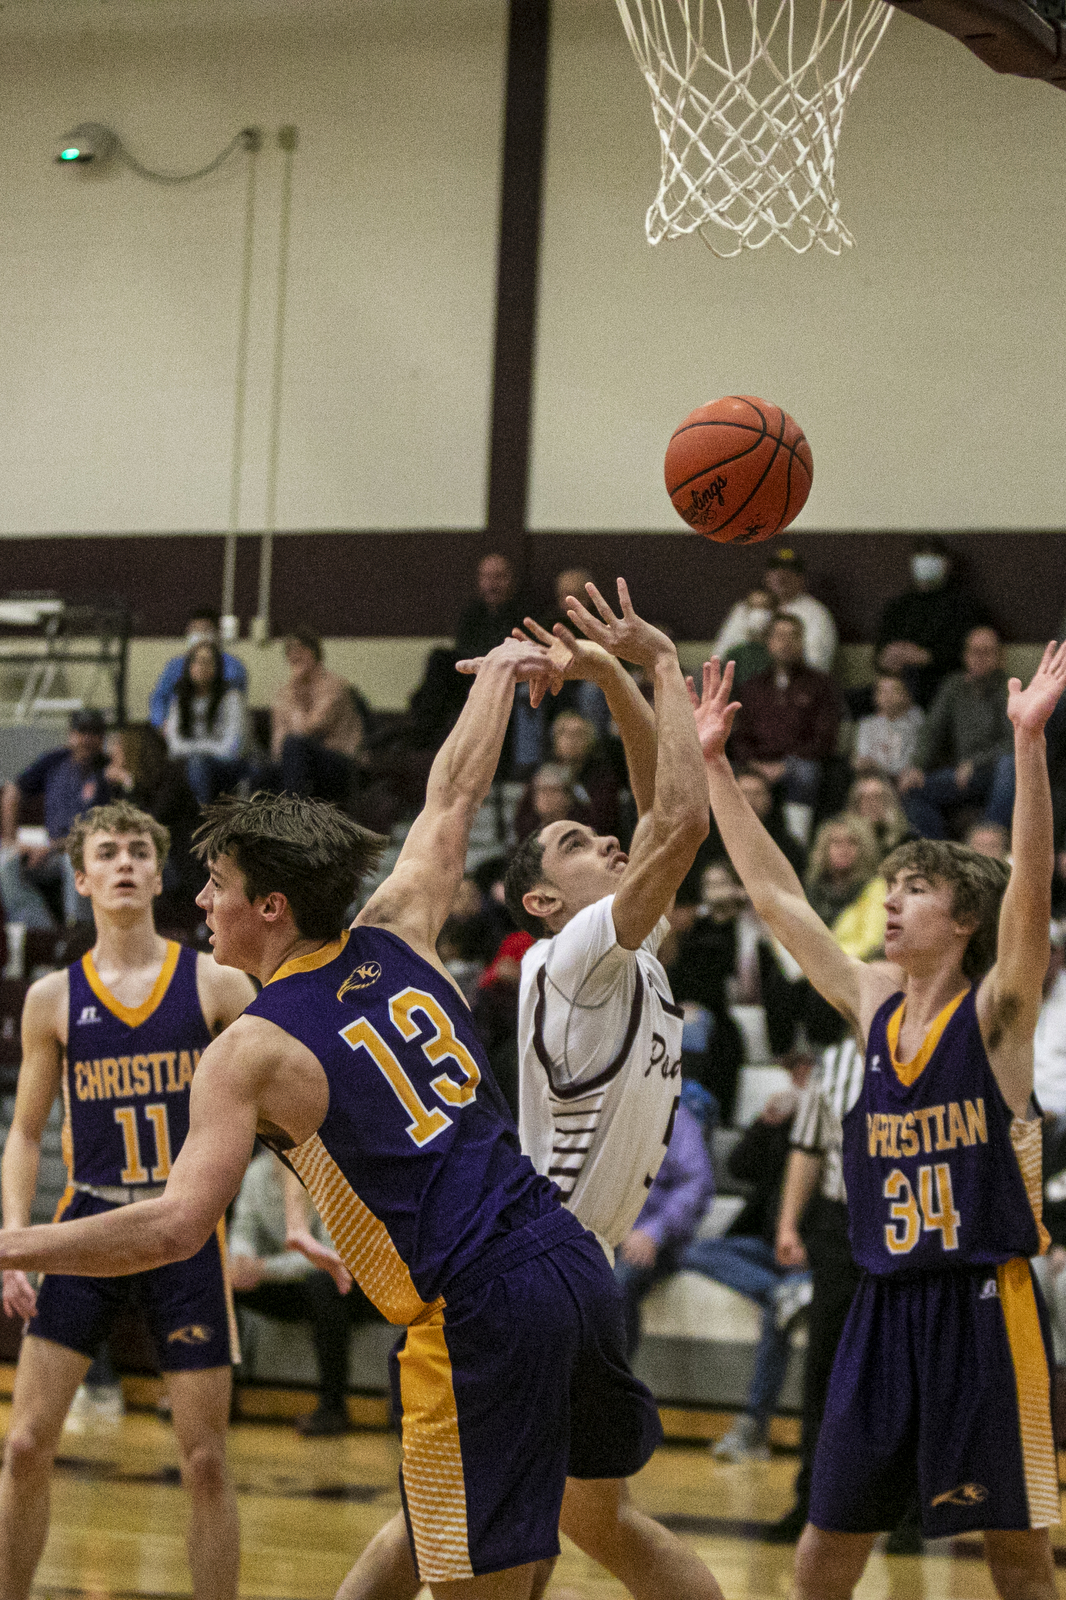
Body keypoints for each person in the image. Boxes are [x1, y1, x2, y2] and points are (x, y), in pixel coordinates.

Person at [0, 613, 695, 1600]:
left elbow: (173, 1226)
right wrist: (496, 677)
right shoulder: (398, 925)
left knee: (481, 1579)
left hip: (473, 1309)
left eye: (217, 885)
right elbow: (453, 794)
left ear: (270, 907)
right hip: (569, 1265)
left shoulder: (249, 1049)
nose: (201, 901)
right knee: (520, 1532)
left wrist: (11, 1244)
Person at [332, 578, 725, 1600]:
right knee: (472, 1532)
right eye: (575, 844)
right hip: (519, 1276)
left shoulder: (624, 946)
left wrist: (608, 678)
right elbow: (680, 823)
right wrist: (659, 663)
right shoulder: (577, 954)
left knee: (563, 1518)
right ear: (543, 901)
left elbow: (657, 813)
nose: (607, 842)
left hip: (575, 1275)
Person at [689, 640, 1066, 1598]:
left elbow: (1029, 890)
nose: (891, 902)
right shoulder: (871, 1001)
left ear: (966, 921)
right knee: (823, 1552)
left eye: (916, 890)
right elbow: (777, 896)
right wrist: (715, 765)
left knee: (1018, 1560)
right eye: (891, 887)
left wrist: (1027, 747)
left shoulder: (997, 1016)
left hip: (982, 1305)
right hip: (880, 1303)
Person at [0, 799, 254, 1600]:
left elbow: (280, 1108)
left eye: (139, 851)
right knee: (25, 1444)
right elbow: (25, 1134)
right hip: (90, 1220)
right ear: (80, 879)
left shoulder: (216, 983)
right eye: (107, 852)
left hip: (185, 1227)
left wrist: (285, 1221)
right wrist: (15, 1236)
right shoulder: (52, 998)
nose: (124, 863)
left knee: (205, 1460)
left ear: (158, 872)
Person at [680, 1064, 813, 1463]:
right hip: (767, 1249)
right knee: (692, 1251)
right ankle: (778, 1291)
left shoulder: (842, 1134)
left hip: (814, 1259)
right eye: (796, 1077)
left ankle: (755, 1426)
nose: (798, 1085)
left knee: (777, 1315)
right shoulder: (785, 1128)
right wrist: (764, 1123)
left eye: (806, 1078)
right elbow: (738, 1167)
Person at [770, 1037, 865, 1540]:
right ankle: (811, 1499)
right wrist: (789, 1223)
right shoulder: (836, 1061)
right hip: (841, 1223)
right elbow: (806, 1148)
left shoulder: (938, 1047)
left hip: (911, 1226)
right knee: (824, 1367)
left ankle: (912, 1511)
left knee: (908, 1369)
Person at [228, 1145, 380, 1436]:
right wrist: (241, 1262)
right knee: (220, 1283)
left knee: (324, 1286)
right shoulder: (256, 1173)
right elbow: (243, 1229)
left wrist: (263, 1268)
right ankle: (221, 1396)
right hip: (289, 1283)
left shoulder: (330, 1174)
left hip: (348, 1284)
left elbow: (332, 1259)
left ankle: (333, 1409)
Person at [613, 1080, 716, 1360]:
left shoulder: (673, 1118)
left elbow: (696, 1185)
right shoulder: (591, 1113)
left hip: (654, 1239)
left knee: (615, 1287)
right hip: (599, 1233)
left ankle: (612, 1380)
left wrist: (654, 1231)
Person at [728, 613, 841, 845]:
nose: (786, 642)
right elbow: (739, 734)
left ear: (802, 641)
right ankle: (736, 843)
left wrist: (786, 764)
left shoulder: (821, 684)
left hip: (799, 761)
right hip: (755, 761)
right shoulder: (751, 687)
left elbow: (825, 737)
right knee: (723, 773)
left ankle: (796, 846)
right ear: (768, 642)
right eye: (779, 636)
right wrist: (754, 763)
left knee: (805, 774)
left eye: (793, 636)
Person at [898, 625, 1014, 839]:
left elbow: (1012, 741)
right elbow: (931, 729)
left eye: (986, 652)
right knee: (914, 789)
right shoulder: (954, 686)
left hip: (996, 770)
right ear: (965, 655)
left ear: (999, 657)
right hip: (964, 774)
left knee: (1009, 763)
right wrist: (917, 765)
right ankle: (937, 853)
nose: (979, 658)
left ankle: (990, 839)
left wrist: (976, 762)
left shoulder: (1010, 687)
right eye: (974, 651)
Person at [0, 709, 111, 929]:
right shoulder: (55, 761)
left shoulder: (106, 770)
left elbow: (94, 831)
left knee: (74, 860)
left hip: (85, 848)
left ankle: (77, 930)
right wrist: (12, 841)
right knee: (6, 860)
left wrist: (50, 848)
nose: (87, 739)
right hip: (51, 846)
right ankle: (39, 929)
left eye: (94, 733)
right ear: (71, 734)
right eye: (82, 732)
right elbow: (12, 792)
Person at [104, 723, 203, 919]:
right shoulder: (121, 785)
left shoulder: (170, 778)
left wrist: (128, 783)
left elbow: (147, 823)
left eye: (118, 745)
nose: (112, 752)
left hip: (178, 861)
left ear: (133, 750)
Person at [873, 538, 984, 711]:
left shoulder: (963, 607)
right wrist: (888, 658)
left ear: (946, 564)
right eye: (921, 558)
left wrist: (924, 657)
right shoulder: (897, 607)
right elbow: (879, 655)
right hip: (897, 687)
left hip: (941, 685)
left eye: (932, 558)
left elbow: (965, 656)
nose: (925, 565)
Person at [269, 629, 365, 807]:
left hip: (338, 758)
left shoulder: (334, 686)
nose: (295, 655)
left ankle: (291, 813)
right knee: (260, 772)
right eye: (290, 651)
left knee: (295, 746)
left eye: (300, 650)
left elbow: (309, 729)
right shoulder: (284, 692)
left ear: (314, 652)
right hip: (298, 759)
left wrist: (296, 692)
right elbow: (277, 742)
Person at [713, 550, 837, 674]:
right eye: (775, 569)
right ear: (767, 575)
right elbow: (720, 654)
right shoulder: (744, 608)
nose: (780, 575)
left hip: (792, 681)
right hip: (744, 682)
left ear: (801, 578)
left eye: (789, 571)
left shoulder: (816, 613)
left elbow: (817, 665)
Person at [163, 641, 248, 808]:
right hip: (189, 763)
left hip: (226, 766)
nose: (201, 667)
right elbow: (174, 745)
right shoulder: (179, 699)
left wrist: (198, 753)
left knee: (198, 764)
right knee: (178, 767)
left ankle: (204, 817)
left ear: (217, 668)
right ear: (189, 666)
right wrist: (200, 752)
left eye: (207, 662)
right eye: (196, 661)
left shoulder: (232, 698)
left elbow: (232, 748)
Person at [148, 608, 247, 731]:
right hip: (177, 729)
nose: (199, 634)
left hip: (217, 729)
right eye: (194, 629)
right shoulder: (175, 666)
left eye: (205, 629)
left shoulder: (233, 667)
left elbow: (233, 706)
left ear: (217, 633)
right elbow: (159, 697)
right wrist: (161, 724)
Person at [851, 673, 924, 779]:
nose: (887, 696)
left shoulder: (916, 723)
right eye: (882, 691)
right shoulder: (867, 724)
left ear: (906, 695)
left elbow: (909, 763)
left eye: (894, 691)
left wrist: (876, 766)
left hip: (903, 780)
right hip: (871, 779)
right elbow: (861, 758)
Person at [710, 586, 775, 686]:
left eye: (763, 607)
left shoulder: (776, 653)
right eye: (753, 607)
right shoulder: (734, 653)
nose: (758, 613)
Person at [843, 773, 914, 863]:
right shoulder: (846, 838)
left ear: (888, 801)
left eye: (877, 797)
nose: (872, 804)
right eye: (866, 798)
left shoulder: (904, 836)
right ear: (857, 804)